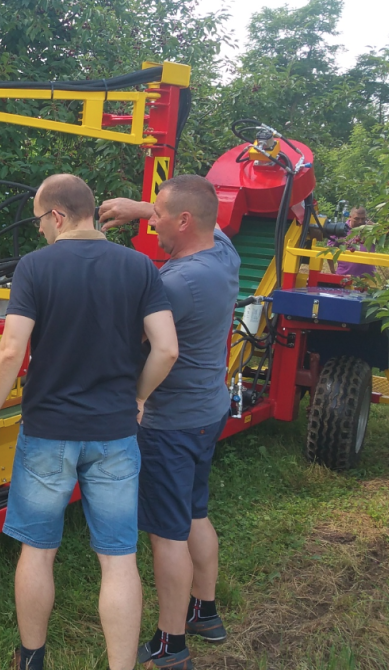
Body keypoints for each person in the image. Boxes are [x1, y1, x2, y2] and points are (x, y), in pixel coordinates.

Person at [0, 174, 179, 670]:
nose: (40, 230)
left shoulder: (35, 267)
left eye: (40, 220)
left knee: (38, 551)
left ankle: (31, 659)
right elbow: (167, 348)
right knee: (118, 559)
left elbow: (11, 351)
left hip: (48, 432)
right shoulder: (139, 266)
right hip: (114, 434)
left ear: (58, 216)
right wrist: (138, 396)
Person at [99, 174, 241, 670]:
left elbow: (134, 342)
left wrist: (135, 395)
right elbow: (205, 219)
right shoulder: (224, 255)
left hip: (170, 424)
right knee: (194, 513)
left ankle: (171, 642)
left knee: (167, 535)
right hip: (208, 412)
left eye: (158, 215)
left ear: (183, 221)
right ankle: (206, 611)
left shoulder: (175, 284)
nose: (152, 221)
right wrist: (141, 208)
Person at [333, 206, 377, 280]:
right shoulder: (340, 229)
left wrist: (375, 227)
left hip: (368, 277)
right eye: (357, 219)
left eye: (363, 219)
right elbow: (330, 249)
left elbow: (387, 235)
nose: (360, 222)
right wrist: (332, 270)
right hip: (345, 276)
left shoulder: (371, 230)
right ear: (350, 217)